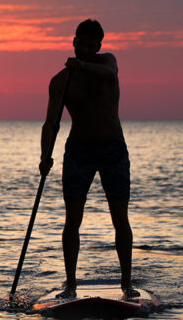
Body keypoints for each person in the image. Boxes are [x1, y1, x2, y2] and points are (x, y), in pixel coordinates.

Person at [39, 19, 139, 299]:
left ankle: (127, 285)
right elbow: (50, 124)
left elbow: (109, 73)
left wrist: (82, 66)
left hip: (112, 149)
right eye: (79, 43)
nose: (82, 48)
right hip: (79, 151)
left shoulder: (108, 62)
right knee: (72, 219)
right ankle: (70, 284)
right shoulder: (61, 81)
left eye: (88, 45)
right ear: (73, 43)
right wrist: (45, 155)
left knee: (120, 217)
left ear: (98, 46)